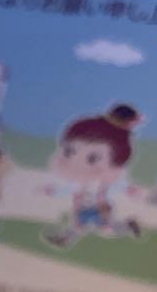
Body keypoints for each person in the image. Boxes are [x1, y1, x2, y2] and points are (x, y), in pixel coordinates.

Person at [44, 104, 143, 248]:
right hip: (87, 191)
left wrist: (124, 188)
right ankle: (64, 239)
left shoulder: (115, 138)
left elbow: (117, 170)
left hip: (98, 195)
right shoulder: (108, 134)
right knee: (83, 223)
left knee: (104, 227)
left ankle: (128, 226)